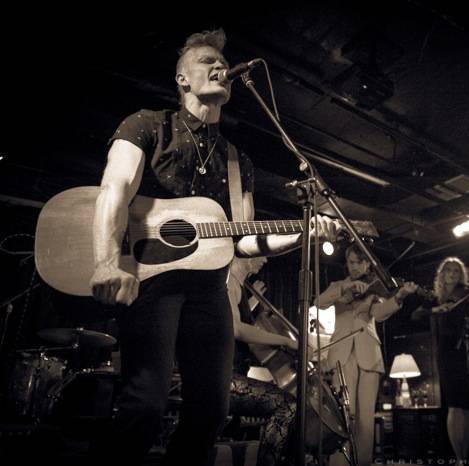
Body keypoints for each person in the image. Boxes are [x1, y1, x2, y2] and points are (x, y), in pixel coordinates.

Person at [88, 28, 335, 466]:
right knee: (145, 405)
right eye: (207, 61)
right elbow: (114, 189)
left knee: (210, 413)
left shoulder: (238, 161)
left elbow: (245, 241)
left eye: (222, 62)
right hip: (151, 280)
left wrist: (305, 232)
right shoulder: (147, 125)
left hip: (209, 293)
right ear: (182, 78)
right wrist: (107, 262)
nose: (220, 66)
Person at [317, 243, 418, 466]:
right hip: (341, 355)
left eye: (358, 262)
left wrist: (399, 296)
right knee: (345, 414)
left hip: (369, 354)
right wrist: (345, 288)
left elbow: (379, 314)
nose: (354, 266)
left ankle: (362, 462)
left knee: (365, 418)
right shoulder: (338, 286)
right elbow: (319, 302)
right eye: (350, 262)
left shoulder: (374, 288)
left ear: (367, 265)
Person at [411, 257, 469, 462]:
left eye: (456, 271)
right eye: (448, 270)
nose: (452, 274)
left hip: (467, 352)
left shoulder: (468, 297)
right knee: (455, 404)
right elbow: (416, 315)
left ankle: (465, 456)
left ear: (461, 275)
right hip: (448, 352)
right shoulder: (435, 298)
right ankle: (458, 457)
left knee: (467, 406)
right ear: (442, 274)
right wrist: (435, 310)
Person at [226, 257, 297, 466]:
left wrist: (253, 301)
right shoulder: (229, 281)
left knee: (291, 406)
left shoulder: (238, 284)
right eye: (261, 252)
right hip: (224, 377)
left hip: (235, 374)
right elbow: (237, 329)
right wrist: (286, 341)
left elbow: (238, 317)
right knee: (286, 405)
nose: (265, 258)